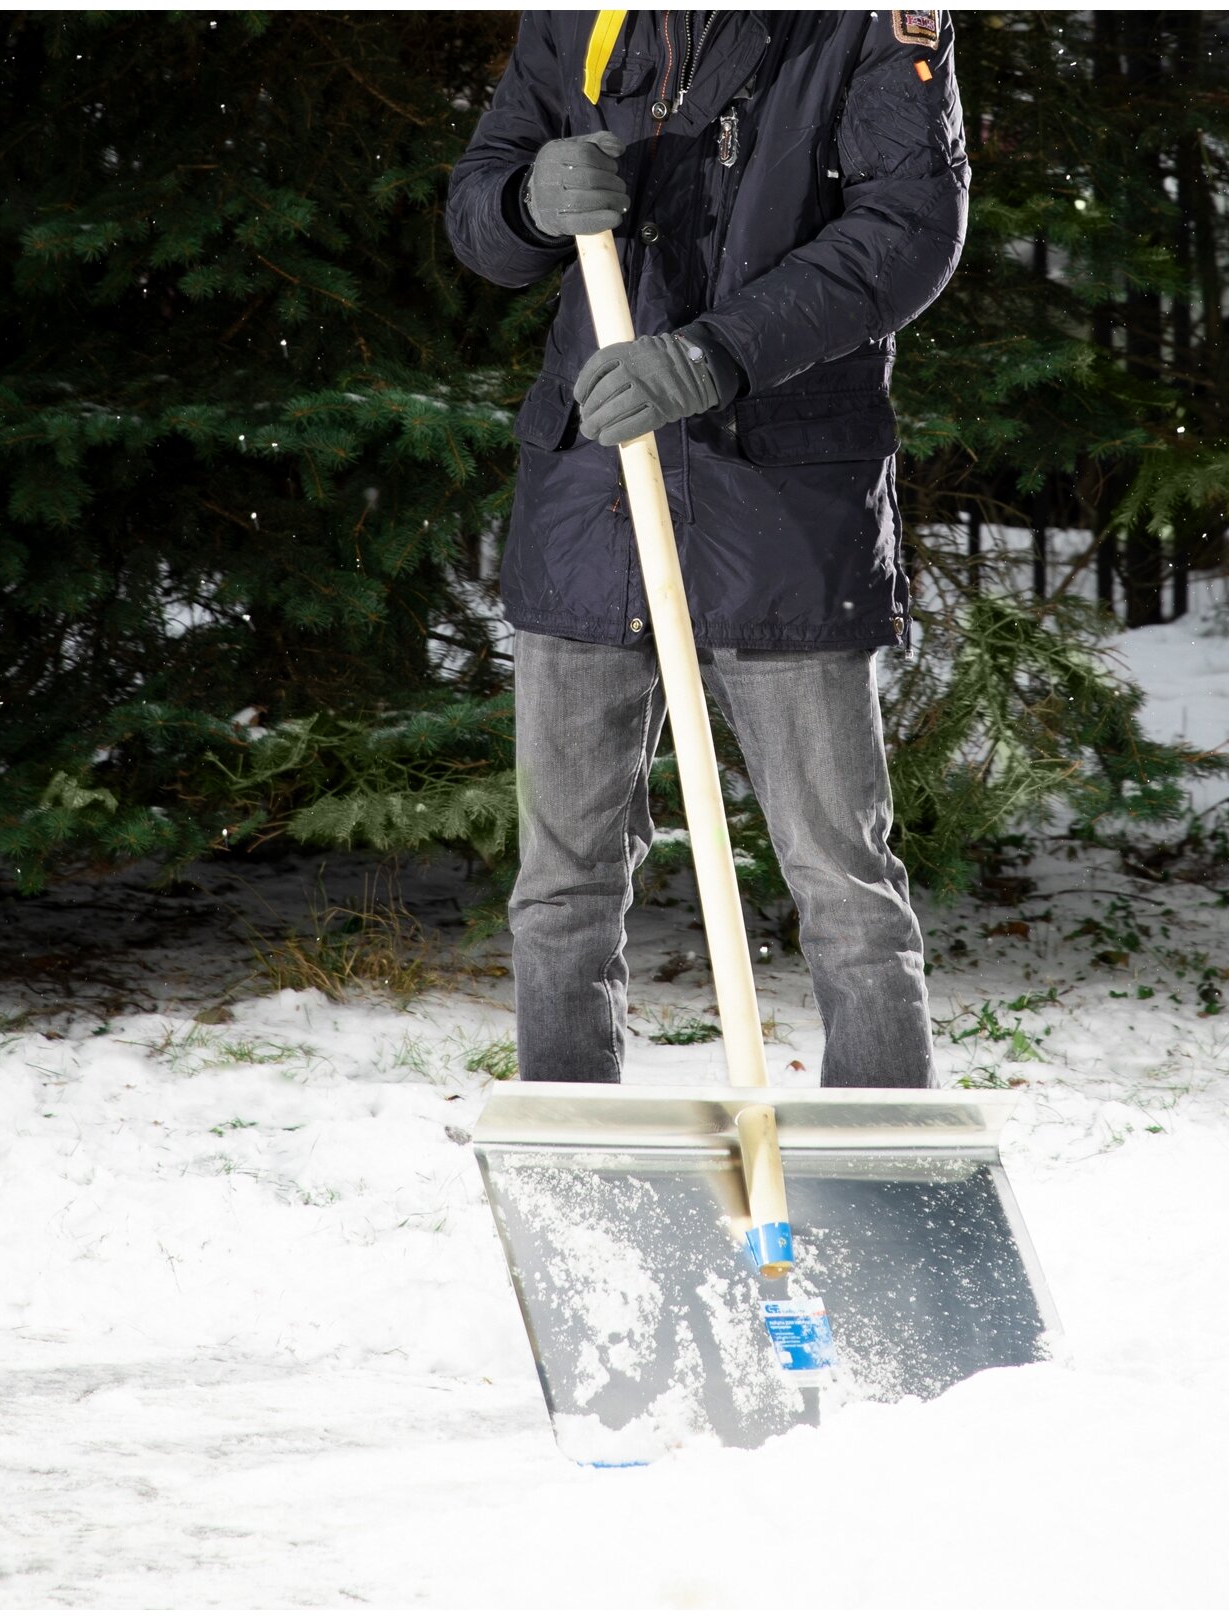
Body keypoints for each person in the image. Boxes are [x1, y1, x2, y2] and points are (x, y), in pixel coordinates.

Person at [446, 10, 969, 1088]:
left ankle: (881, 1168)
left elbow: (910, 228)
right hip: (589, 492)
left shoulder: (865, 21)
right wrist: (523, 201)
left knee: (841, 880)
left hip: (776, 501)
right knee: (562, 882)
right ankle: (575, 1157)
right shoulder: (581, 19)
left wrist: (717, 354)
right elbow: (481, 213)